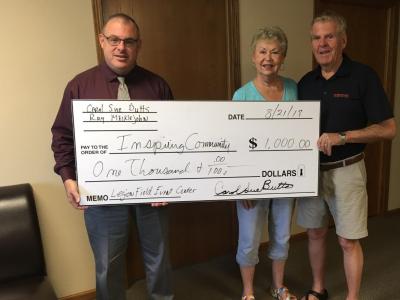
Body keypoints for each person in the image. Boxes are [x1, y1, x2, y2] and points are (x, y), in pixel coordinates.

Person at [51, 13, 174, 300]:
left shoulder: (158, 87)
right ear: (102, 41)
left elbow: (173, 140)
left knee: (160, 259)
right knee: (108, 265)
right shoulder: (79, 86)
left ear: (138, 45)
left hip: (153, 191)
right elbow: (62, 136)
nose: (121, 47)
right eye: (114, 40)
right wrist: (69, 178)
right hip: (102, 193)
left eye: (129, 41)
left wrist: (170, 181)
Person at [296, 11, 396, 300]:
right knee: (314, 233)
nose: (322, 44)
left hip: (347, 169)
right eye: (316, 37)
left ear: (343, 40)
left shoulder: (363, 76)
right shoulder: (306, 83)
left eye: (329, 36)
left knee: (347, 240)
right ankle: (318, 289)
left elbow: (389, 129)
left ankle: (353, 297)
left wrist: (343, 137)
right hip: (312, 172)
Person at [232, 26, 297, 300]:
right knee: (249, 239)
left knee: (282, 236)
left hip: (286, 177)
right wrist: (241, 186)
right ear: (253, 56)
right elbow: (233, 144)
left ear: (282, 58)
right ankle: (248, 292)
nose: (268, 57)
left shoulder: (294, 88)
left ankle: (278, 287)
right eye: (262, 51)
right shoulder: (241, 96)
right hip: (251, 183)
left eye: (275, 52)